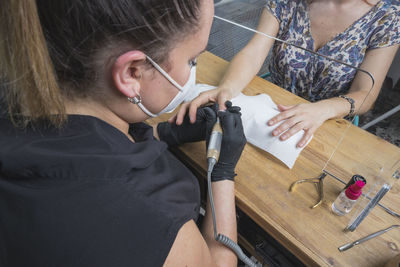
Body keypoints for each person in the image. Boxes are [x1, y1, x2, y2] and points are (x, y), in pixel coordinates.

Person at [0, 0, 246, 266]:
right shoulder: (152, 219)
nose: (192, 70)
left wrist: (160, 134)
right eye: (192, 59)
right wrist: (221, 172)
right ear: (132, 72)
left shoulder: (14, 98)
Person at [173, 0, 400, 148]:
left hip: (331, 120)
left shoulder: (387, 17)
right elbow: (254, 52)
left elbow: (365, 94)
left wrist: (322, 110)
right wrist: (228, 88)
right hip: (272, 105)